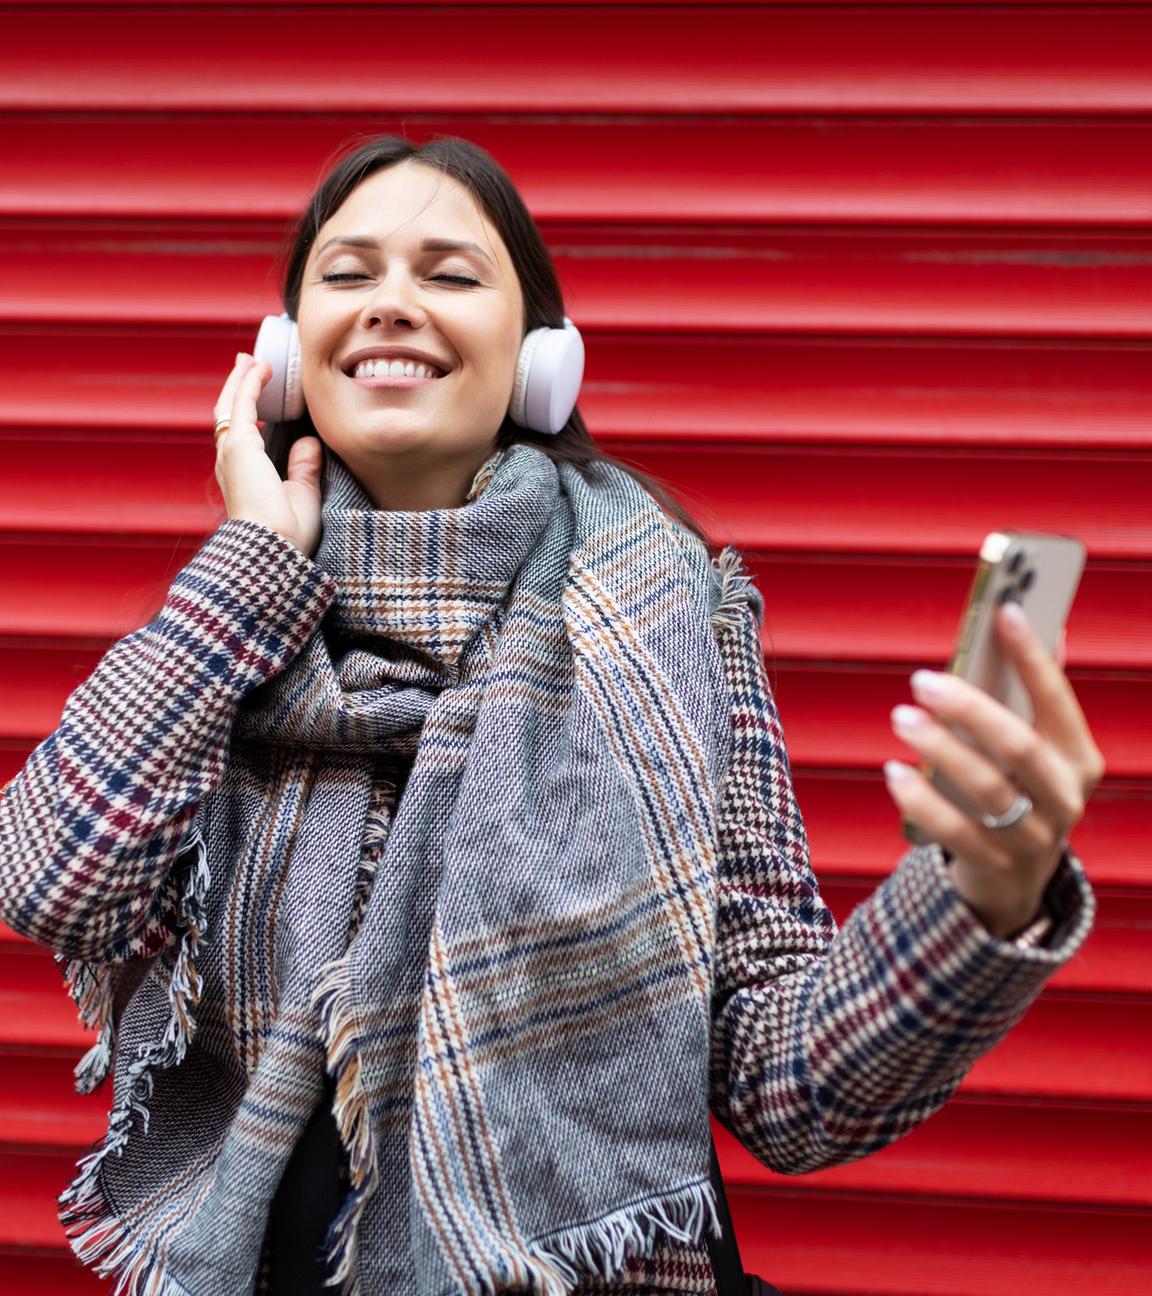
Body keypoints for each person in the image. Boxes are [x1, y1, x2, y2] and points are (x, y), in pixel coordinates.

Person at [0, 134, 1104, 1296]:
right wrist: (249, 572)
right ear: (282, 355)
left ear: (541, 361)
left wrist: (981, 900)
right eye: (347, 273)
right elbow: (51, 882)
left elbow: (792, 1090)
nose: (390, 305)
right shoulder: (230, 637)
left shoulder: (670, 614)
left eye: (449, 273)